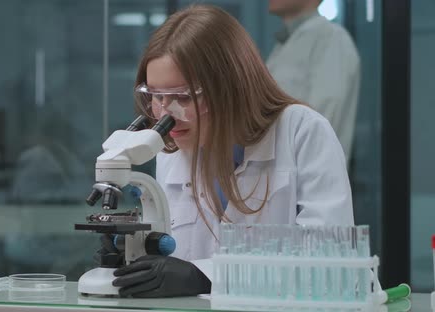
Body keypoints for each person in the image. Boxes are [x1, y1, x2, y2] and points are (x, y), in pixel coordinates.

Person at [107, 4, 353, 298]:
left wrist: (205, 278)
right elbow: (173, 256)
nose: (165, 115)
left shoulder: (302, 131)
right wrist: (134, 261)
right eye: (156, 96)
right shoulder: (171, 151)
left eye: (182, 96)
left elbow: (329, 265)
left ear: (230, 86)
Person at [266, 0, 360, 163]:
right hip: (282, 175)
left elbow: (321, 123)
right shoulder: (285, 45)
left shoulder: (332, 39)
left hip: (307, 176)